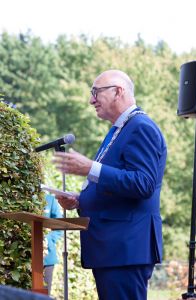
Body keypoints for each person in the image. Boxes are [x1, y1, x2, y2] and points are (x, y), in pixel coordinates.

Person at [53, 70, 167, 300]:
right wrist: (79, 200)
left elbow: (143, 184)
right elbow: (115, 184)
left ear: (118, 91)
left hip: (125, 249)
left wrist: (90, 168)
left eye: (96, 92)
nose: (91, 100)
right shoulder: (118, 131)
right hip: (113, 249)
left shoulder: (141, 127)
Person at [43, 193, 63, 295]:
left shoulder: (49, 199)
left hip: (47, 259)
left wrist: (48, 239)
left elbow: (59, 226)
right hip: (21, 256)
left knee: (43, 294)